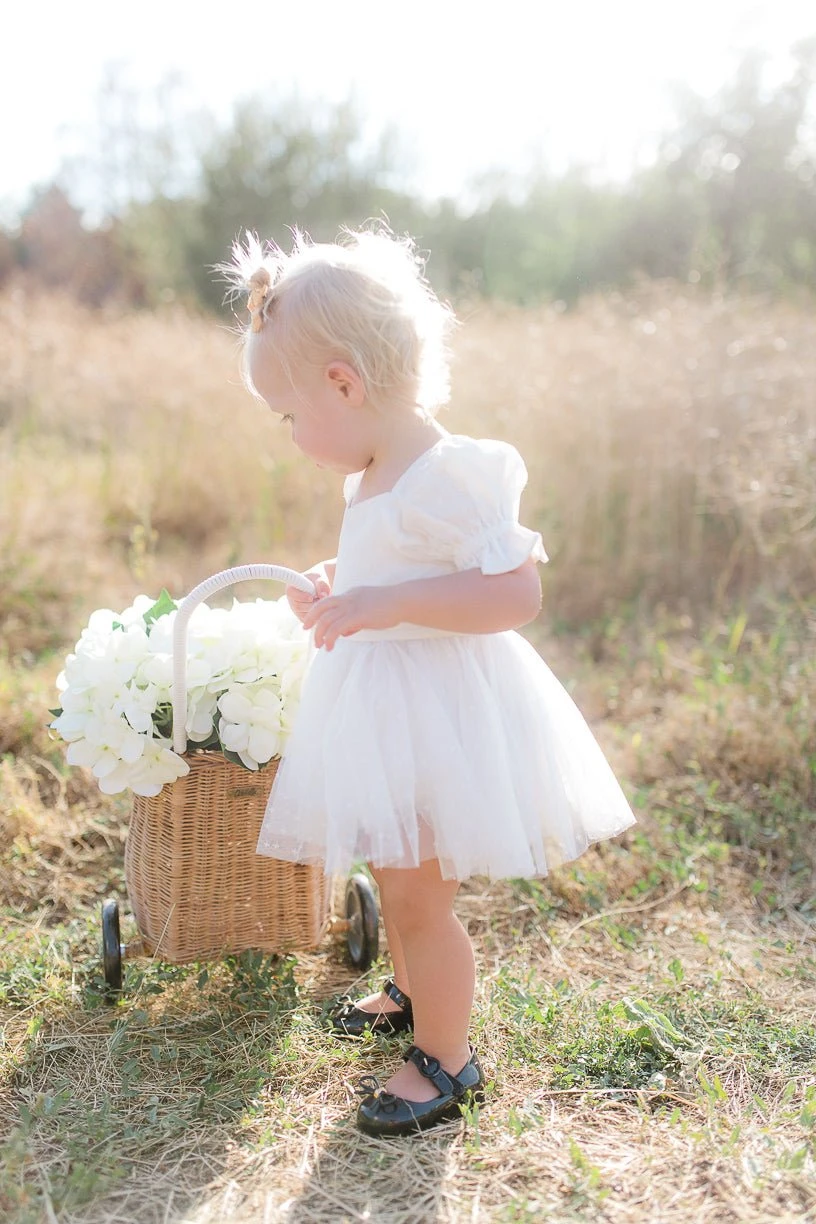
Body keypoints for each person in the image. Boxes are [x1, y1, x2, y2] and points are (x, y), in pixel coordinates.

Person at [222, 226, 636, 1137]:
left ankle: (450, 1059)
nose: (291, 437)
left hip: (441, 711)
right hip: (387, 707)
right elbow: (392, 560)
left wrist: (387, 601)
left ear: (344, 383)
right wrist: (345, 584)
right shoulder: (373, 473)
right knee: (391, 858)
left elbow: (513, 591)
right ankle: (408, 995)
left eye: (290, 415)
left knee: (420, 893)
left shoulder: (456, 471)